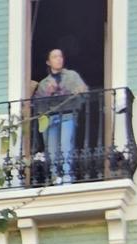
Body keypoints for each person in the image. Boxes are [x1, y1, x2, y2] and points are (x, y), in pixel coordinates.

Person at [30, 48, 89, 185]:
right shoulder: (44, 83)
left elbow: (84, 93)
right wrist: (48, 94)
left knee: (66, 146)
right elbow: (39, 106)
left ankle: (67, 176)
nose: (59, 59)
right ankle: (55, 177)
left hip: (67, 116)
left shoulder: (72, 76)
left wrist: (75, 91)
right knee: (51, 150)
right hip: (50, 119)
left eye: (60, 56)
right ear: (48, 62)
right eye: (55, 57)